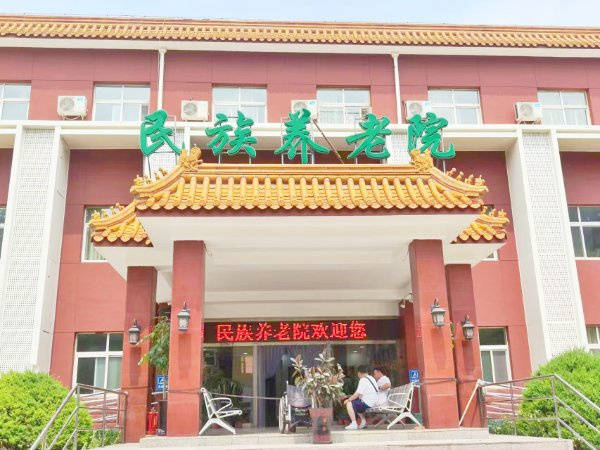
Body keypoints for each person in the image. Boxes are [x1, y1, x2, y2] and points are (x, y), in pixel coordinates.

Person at [343, 365, 378, 430]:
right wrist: (349, 397)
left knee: (349, 404)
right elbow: (361, 394)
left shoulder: (363, 380)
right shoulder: (372, 378)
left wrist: (348, 400)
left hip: (368, 403)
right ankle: (363, 422)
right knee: (357, 403)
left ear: (359, 373)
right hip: (374, 402)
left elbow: (357, 393)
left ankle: (354, 424)